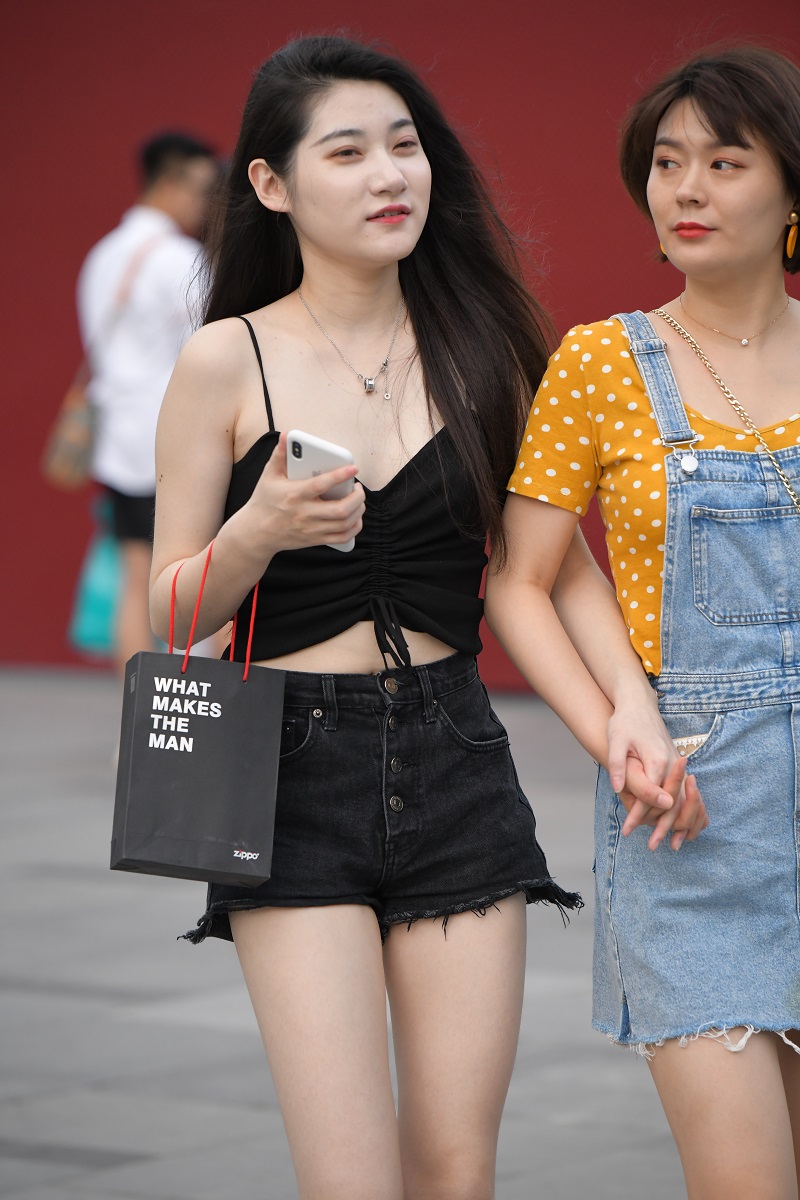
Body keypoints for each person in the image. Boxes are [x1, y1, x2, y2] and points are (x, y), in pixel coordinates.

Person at [147, 34, 593, 1199]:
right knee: (350, 1180)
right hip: (288, 773)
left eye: (404, 145)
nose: (389, 174)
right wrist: (257, 532)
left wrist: (623, 723)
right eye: (346, 153)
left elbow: (551, 570)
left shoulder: (488, 348)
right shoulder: (224, 360)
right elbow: (169, 615)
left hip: (455, 759)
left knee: (454, 1171)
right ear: (270, 184)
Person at [485, 45, 800, 1199]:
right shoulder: (598, 361)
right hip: (689, 813)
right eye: (666, 163)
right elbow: (518, 579)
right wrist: (616, 724)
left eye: (724, 161)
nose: (685, 189)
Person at [77, 131, 218, 674]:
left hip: (118, 439)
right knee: (198, 577)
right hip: (173, 442)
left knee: (136, 579)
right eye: (202, 189)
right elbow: (214, 343)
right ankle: (196, 703)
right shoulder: (179, 258)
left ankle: (135, 710)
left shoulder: (102, 255)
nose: (205, 203)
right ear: (173, 182)